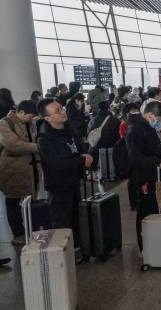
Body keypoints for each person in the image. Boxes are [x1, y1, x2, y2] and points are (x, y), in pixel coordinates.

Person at [37, 100, 93, 262]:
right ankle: (61, 257)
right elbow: (57, 164)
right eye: (57, 111)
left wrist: (85, 156)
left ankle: (75, 249)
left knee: (76, 218)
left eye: (61, 108)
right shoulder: (45, 139)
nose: (62, 111)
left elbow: (76, 151)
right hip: (59, 186)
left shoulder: (68, 130)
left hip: (73, 182)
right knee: (62, 222)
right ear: (47, 118)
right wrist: (81, 160)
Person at [126, 101, 161, 253]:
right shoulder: (135, 130)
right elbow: (134, 157)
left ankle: (154, 244)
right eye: (160, 119)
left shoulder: (147, 127)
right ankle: (144, 248)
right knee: (144, 212)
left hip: (152, 177)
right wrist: (157, 162)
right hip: (143, 178)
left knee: (152, 209)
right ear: (150, 116)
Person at [0, 101, 41, 246]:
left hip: (31, 169)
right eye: (30, 116)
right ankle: (18, 234)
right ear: (21, 112)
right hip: (12, 171)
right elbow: (12, 144)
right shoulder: (4, 123)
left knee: (29, 201)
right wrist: (36, 147)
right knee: (13, 202)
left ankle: (30, 229)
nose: (31, 119)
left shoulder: (30, 123)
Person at [87, 101, 120, 172]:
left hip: (96, 147)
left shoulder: (93, 120)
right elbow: (118, 135)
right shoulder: (115, 120)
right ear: (108, 108)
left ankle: (95, 173)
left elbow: (89, 133)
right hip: (112, 147)